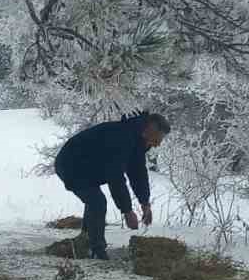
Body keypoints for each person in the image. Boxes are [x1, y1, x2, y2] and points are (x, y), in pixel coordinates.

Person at [53, 110, 170, 260]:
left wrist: (145, 203)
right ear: (149, 129)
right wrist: (127, 211)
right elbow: (115, 177)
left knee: (95, 201)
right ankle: (97, 250)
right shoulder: (122, 137)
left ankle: (86, 242)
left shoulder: (137, 140)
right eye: (157, 139)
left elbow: (138, 173)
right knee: (97, 201)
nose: (158, 144)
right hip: (71, 164)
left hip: (88, 167)